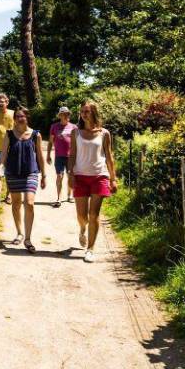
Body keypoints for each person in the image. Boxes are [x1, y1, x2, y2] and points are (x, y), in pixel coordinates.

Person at [67, 100, 117, 263]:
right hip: (80, 176)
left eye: (87, 111)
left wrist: (113, 179)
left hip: (99, 176)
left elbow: (109, 156)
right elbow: (72, 155)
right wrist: (70, 174)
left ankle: (90, 249)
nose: (84, 114)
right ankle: (83, 228)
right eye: (82, 111)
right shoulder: (75, 132)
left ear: (94, 113)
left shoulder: (104, 133)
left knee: (94, 214)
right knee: (82, 215)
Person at [1, 107, 47, 252]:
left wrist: (44, 175)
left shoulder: (35, 135)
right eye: (17, 116)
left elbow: (40, 156)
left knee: (29, 203)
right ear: (14, 119)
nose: (20, 119)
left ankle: (27, 239)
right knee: (16, 204)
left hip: (30, 173)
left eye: (22, 116)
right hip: (13, 173)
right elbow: (3, 154)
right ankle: (19, 233)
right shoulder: (9, 134)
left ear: (27, 117)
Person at [47, 106, 76, 204]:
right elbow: (50, 142)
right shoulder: (54, 127)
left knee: (70, 176)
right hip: (59, 156)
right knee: (59, 176)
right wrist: (48, 155)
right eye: (64, 114)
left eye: (68, 114)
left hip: (70, 157)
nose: (66, 116)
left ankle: (69, 196)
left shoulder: (73, 127)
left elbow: (78, 142)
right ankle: (58, 198)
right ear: (60, 116)